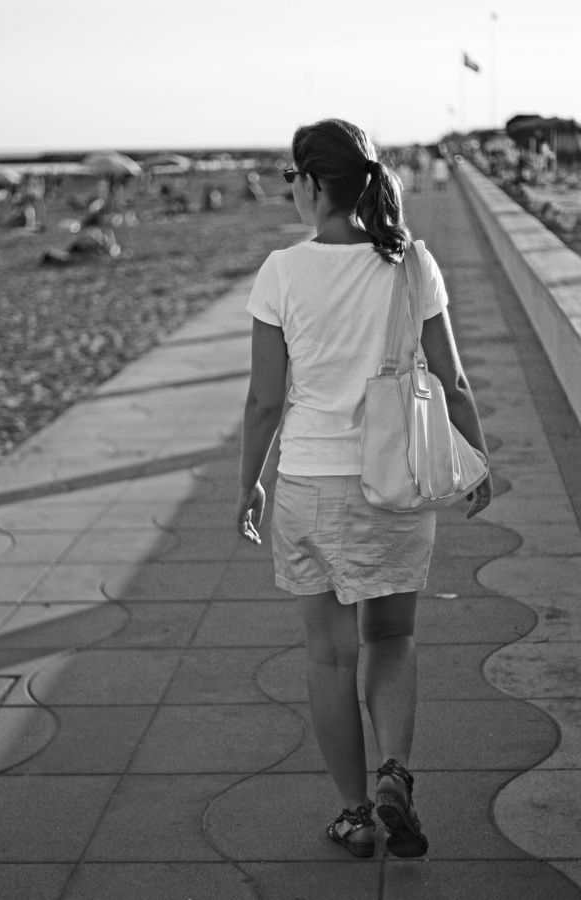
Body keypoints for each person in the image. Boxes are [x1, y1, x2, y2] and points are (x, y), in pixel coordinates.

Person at [235, 118, 492, 860]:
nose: (291, 189)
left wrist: (249, 483)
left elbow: (263, 401)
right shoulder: (414, 264)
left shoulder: (282, 271)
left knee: (328, 657)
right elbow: (455, 379)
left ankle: (353, 814)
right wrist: (478, 459)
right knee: (392, 635)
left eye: (292, 177)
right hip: (396, 480)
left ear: (312, 183)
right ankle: (394, 775)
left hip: (311, 483)